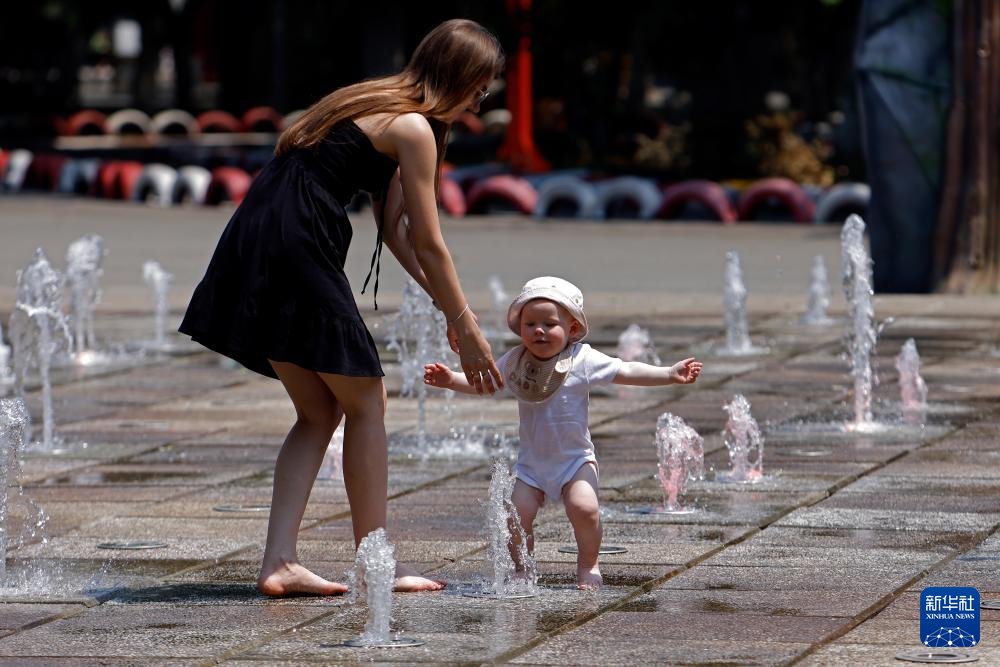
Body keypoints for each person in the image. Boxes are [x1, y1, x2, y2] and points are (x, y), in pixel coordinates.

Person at [179, 19, 505, 597]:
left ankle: (279, 562)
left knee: (321, 410)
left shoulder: (375, 100)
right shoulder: (413, 126)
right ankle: (374, 562)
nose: (480, 100)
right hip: (299, 237)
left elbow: (396, 234)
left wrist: (454, 312)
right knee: (367, 395)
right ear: (457, 76)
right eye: (479, 86)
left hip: (261, 228)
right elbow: (429, 241)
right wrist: (466, 326)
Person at [423, 277, 702, 589]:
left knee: (584, 508)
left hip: (575, 462)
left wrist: (668, 374)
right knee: (515, 514)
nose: (539, 330)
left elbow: (625, 370)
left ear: (571, 329)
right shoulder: (516, 361)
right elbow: (485, 382)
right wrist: (452, 380)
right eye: (530, 324)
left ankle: (589, 564)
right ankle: (521, 568)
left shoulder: (582, 360)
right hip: (532, 467)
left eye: (549, 324)